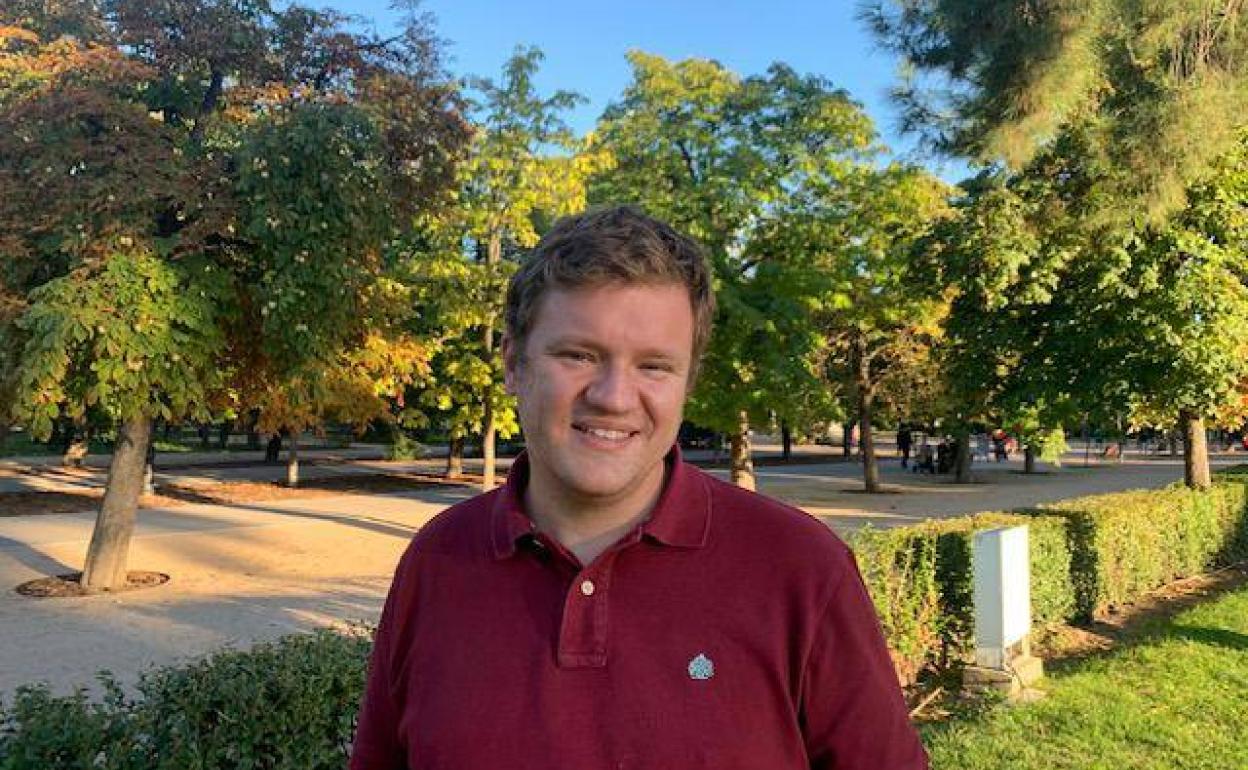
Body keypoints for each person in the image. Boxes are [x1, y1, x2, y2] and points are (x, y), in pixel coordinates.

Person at [350, 206, 928, 770]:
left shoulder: (801, 569)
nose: (613, 397)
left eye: (653, 366)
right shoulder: (437, 561)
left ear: (687, 382)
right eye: (579, 355)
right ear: (512, 363)